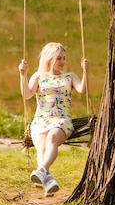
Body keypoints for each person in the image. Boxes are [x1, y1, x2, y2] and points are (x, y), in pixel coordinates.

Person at [18, 42, 88, 196]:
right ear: (49, 59)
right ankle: (48, 181)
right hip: (41, 120)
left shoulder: (70, 77)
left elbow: (82, 89)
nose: (62, 62)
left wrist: (85, 72)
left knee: (52, 138)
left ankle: (41, 170)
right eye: (59, 58)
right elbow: (27, 95)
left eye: (64, 58)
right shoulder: (38, 76)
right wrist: (23, 75)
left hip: (61, 120)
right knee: (41, 146)